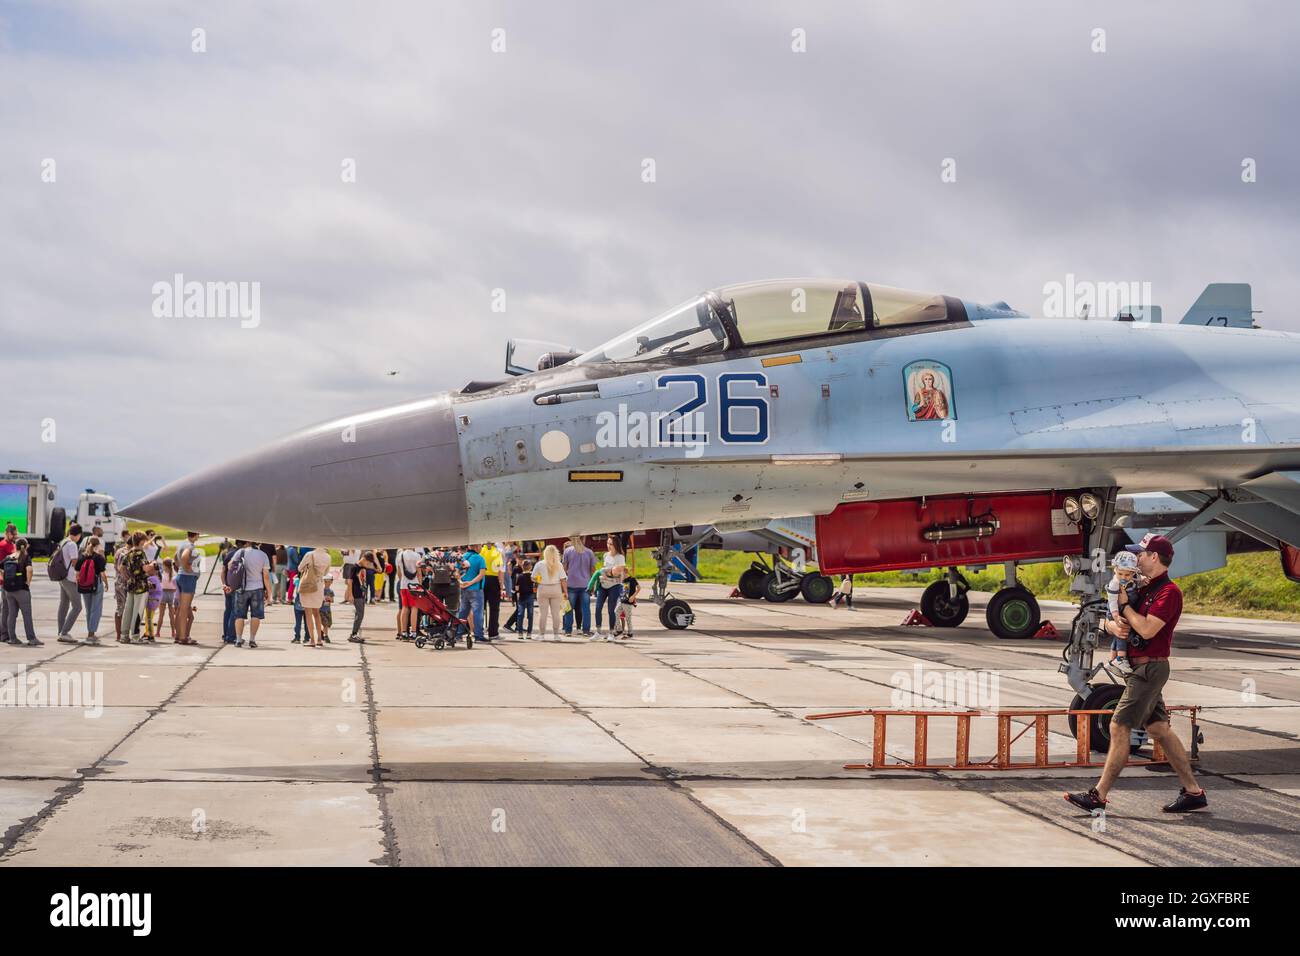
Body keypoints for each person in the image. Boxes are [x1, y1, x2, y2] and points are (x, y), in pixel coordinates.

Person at [1065, 534, 1208, 815]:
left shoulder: (1169, 593)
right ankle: (1193, 792)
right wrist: (1111, 627)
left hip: (1149, 668)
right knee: (1158, 729)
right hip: (1138, 668)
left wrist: (1126, 608)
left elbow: (1146, 629)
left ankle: (1099, 796)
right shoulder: (1142, 587)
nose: (1136, 558)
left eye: (1141, 554)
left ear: (1154, 557)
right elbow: (1116, 616)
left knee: (1119, 727)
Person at [1105, 550, 1140, 675]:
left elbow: (1137, 581)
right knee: (1122, 633)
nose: (1123, 578)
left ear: (1133, 573)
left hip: (1122, 610)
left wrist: (1143, 581)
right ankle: (1121, 658)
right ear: (1115, 570)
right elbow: (1112, 601)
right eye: (1120, 574)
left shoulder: (1132, 579)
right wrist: (1115, 616)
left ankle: (1112, 660)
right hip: (1115, 611)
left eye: (1127, 575)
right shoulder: (1114, 584)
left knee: (1117, 635)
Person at [233, 541, 272, 648]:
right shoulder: (263, 555)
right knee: (256, 615)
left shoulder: (240, 552)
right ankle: (252, 639)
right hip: (257, 588)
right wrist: (269, 593)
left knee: (239, 615)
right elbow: (266, 576)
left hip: (241, 588)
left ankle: (238, 639)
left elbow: (230, 566)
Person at [119, 532, 156, 644]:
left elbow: (121, 568)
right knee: (138, 611)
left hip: (131, 585)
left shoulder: (129, 553)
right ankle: (135, 636)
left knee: (128, 611)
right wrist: (153, 564)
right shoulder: (140, 553)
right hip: (141, 586)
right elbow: (145, 568)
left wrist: (129, 578)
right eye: (144, 541)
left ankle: (124, 635)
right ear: (141, 541)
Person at [2, 538, 40, 645]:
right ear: (26, 546)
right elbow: (30, 570)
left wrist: (4, 579)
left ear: (16, 546)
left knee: (11, 614)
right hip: (21, 589)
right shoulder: (25, 557)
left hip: (8, 590)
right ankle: (31, 639)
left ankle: (12, 638)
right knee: (26, 614)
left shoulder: (9, 557)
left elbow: (1, 568)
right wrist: (28, 582)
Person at [75, 535, 108, 645]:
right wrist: (106, 584)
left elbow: (77, 572)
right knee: (96, 608)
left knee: (89, 609)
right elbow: (102, 573)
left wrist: (79, 584)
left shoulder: (82, 556)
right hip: (96, 584)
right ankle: (91, 633)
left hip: (84, 585)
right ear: (98, 545)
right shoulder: (99, 557)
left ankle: (90, 632)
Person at [592, 535, 626, 641]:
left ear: (616, 544)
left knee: (611, 610)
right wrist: (605, 574)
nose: (609, 546)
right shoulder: (606, 555)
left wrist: (608, 574)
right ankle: (598, 632)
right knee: (598, 608)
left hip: (614, 586)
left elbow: (619, 574)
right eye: (607, 543)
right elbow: (605, 570)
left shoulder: (620, 557)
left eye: (611, 544)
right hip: (603, 585)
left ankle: (611, 633)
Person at [55, 522, 84, 643]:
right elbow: (74, 562)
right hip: (70, 578)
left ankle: (61, 631)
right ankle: (64, 632)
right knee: (77, 606)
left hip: (62, 576)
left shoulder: (63, 541)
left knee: (64, 604)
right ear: (78, 535)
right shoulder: (72, 544)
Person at [296, 545, 331, 647]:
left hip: (308, 584)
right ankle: (319, 639)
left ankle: (312, 640)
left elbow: (299, 568)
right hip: (319, 585)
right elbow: (326, 572)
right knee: (317, 613)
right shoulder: (328, 556)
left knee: (308, 613)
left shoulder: (310, 554)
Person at [532, 545, 567, 640]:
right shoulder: (559, 564)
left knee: (543, 613)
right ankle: (556, 635)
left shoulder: (539, 564)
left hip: (543, 588)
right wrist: (565, 592)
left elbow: (533, 577)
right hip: (556, 588)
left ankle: (541, 635)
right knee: (556, 613)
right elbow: (563, 579)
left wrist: (539, 579)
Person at [562, 536, 595, 636]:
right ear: (583, 540)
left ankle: (568, 631)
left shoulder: (567, 551)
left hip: (571, 584)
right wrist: (592, 584)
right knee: (585, 609)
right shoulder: (589, 552)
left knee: (568, 609)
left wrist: (563, 584)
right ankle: (585, 630)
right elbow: (592, 570)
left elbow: (564, 568)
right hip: (585, 584)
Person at [173, 532, 202, 645]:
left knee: (180, 609)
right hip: (188, 578)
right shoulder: (190, 546)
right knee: (185, 609)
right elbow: (185, 557)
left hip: (181, 576)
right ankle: (183, 637)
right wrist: (188, 569)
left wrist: (180, 567)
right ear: (196, 535)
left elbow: (175, 558)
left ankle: (178, 635)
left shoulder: (182, 544)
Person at [457, 544, 487, 643]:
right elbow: (481, 574)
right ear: (477, 547)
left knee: (463, 612)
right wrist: (471, 583)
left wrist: (461, 582)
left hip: (463, 588)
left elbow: (456, 572)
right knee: (478, 613)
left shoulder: (462, 557)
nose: (481, 548)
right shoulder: (480, 558)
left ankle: (459, 634)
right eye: (480, 546)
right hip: (476, 589)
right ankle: (478, 636)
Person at [395, 546, 422, 641]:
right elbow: (419, 572)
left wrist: (403, 580)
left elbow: (399, 573)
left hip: (403, 584)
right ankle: (413, 632)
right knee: (414, 607)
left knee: (404, 607)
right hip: (414, 585)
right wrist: (420, 585)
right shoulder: (417, 555)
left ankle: (404, 632)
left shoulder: (400, 555)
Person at [481, 541, 504, 639]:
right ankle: (493, 632)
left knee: (480, 608)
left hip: (481, 579)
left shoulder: (481, 551)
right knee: (494, 608)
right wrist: (501, 585)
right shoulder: (497, 552)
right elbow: (500, 570)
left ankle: (478, 631)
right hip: (493, 580)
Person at [0, 523, 16, 646]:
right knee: (6, 609)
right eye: (13, 534)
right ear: (7, 533)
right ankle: (4, 633)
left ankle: (5, 633)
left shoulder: (12, 545)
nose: (15, 536)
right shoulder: (3, 545)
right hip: (4, 582)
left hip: (11, 581)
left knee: (8, 608)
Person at [512, 558, 536, 638]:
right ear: (530, 567)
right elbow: (535, 585)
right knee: (530, 614)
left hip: (522, 596)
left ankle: (520, 632)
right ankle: (529, 633)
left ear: (522, 567)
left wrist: (517, 596)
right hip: (530, 596)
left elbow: (517, 587)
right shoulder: (532, 576)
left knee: (520, 614)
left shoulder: (520, 576)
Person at [159, 558, 179, 639]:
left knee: (161, 615)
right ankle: (173, 632)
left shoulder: (161, 574)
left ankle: (157, 632)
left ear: (164, 566)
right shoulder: (174, 575)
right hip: (172, 594)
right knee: (171, 616)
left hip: (163, 593)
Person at [320, 575, 335, 642]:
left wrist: (330, 599)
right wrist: (323, 598)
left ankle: (321, 632)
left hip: (328, 610)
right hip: (321, 610)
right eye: (326, 582)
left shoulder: (331, 591)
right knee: (325, 623)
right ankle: (326, 636)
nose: (327, 583)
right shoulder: (321, 590)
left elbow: (332, 600)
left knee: (329, 624)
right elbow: (318, 599)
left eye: (329, 582)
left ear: (331, 582)